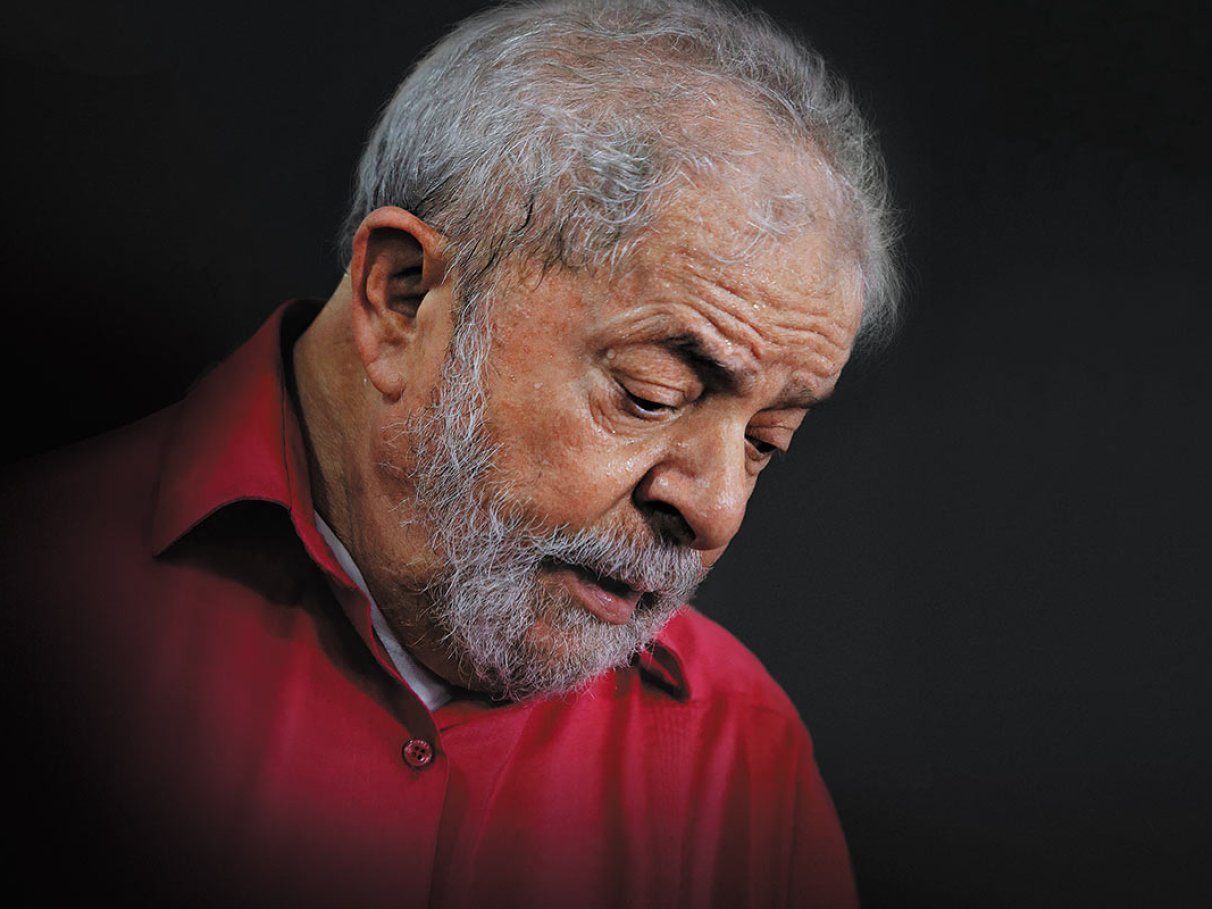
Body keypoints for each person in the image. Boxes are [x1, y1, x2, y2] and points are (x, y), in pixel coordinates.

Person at [1, 0, 898, 906]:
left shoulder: (743, 753)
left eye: (766, 442)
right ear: (401, 296)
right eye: (649, 393)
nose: (717, 508)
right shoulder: (42, 609)